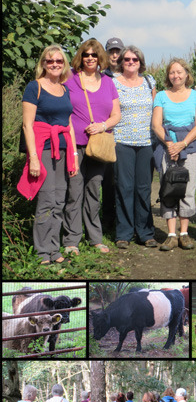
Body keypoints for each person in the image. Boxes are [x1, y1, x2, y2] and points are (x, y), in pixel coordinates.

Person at [18, 45, 80, 264]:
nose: (55, 64)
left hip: (62, 149)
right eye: (50, 60)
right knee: (46, 199)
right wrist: (33, 157)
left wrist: (74, 153)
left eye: (59, 61)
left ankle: (55, 249)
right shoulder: (34, 87)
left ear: (64, 64)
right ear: (43, 63)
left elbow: (69, 124)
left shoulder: (65, 90)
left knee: (60, 199)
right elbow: (27, 125)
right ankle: (43, 251)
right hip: (42, 149)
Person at [63, 38, 120, 255]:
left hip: (98, 146)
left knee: (93, 191)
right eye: (86, 54)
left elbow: (117, 115)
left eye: (94, 55)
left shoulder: (108, 82)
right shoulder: (71, 81)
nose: (90, 58)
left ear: (100, 58)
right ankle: (71, 241)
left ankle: (95, 237)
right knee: (74, 191)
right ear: (81, 57)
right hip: (75, 144)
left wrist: (102, 126)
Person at [151, 58, 196, 251]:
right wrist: (169, 144)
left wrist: (182, 144)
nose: (176, 76)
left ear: (186, 74)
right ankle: (171, 235)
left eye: (179, 72)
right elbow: (156, 124)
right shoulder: (162, 96)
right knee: (169, 189)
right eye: (172, 72)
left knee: (187, 189)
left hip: (189, 147)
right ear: (168, 76)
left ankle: (184, 234)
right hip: (167, 145)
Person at [111, 45, 157, 249]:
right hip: (122, 141)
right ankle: (124, 233)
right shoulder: (112, 83)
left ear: (141, 62)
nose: (131, 62)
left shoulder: (149, 81)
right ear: (121, 62)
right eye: (127, 59)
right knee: (124, 188)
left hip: (146, 142)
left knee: (144, 189)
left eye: (135, 59)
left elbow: (157, 110)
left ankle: (145, 232)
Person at [101, 37, 124, 230]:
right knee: (108, 181)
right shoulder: (101, 77)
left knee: (124, 181)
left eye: (117, 51)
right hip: (108, 135)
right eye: (111, 51)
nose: (114, 55)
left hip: (128, 136)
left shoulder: (131, 75)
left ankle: (125, 218)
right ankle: (108, 219)